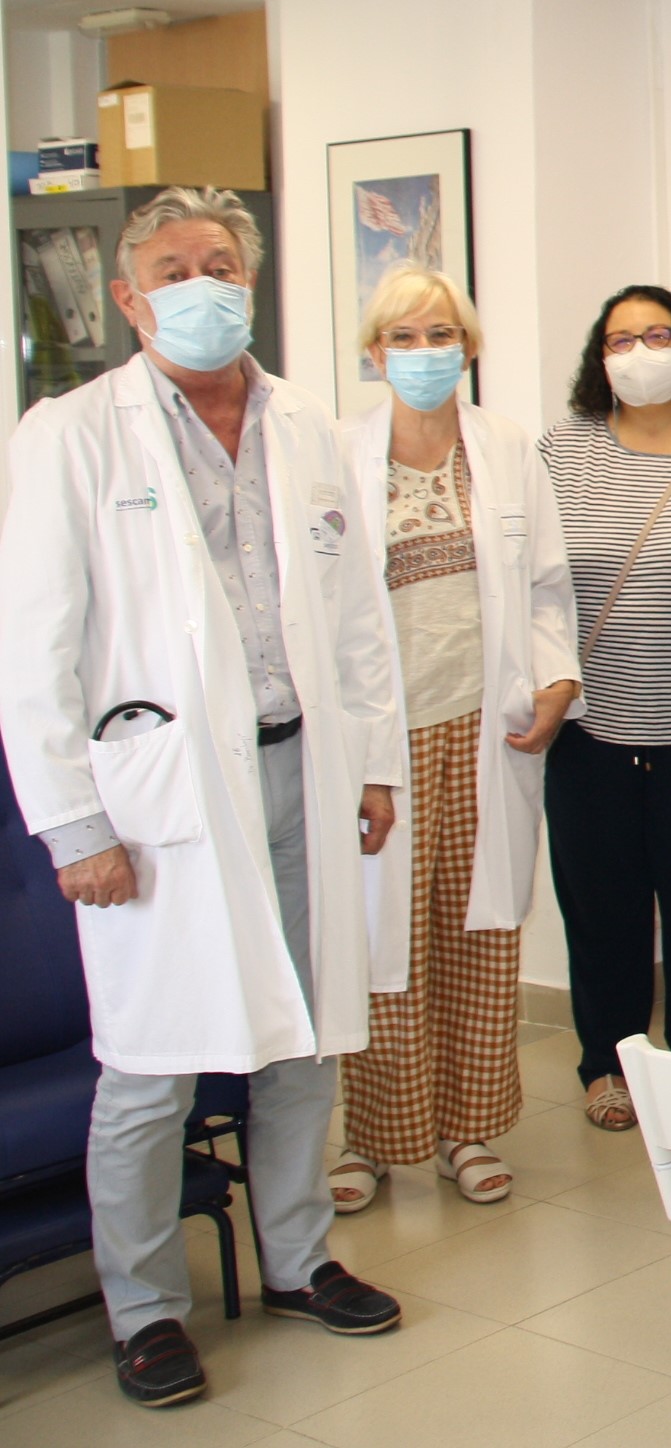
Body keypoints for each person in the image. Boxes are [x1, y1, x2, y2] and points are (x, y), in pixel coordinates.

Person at [0, 187, 407, 1406]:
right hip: (159, 795)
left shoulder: (304, 422)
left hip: (301, 766)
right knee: (149, 1059)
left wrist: (373, 761)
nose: (200, 285)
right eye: (172, 269)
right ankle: (145, 1309)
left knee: (307, 1030)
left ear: (250, 280)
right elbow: (33, 647)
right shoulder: (71, 434)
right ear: (129, 300)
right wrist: (74, 824)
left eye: (218, 262)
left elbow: (355, 614)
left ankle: (297, 1257)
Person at [334, 266, 581, 1214]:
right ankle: (370, 1139)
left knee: (475, 935)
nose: (424, 353)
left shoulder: (506, 448)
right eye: (403, 337)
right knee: (381, 942)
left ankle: (464, 1130)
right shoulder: (337, 453)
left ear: (468, 347)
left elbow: (547, 586)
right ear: (375, 352)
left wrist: (557, 682)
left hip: (486, 724)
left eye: (440, 335)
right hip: (384, 740)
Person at [538, 285, 671, 1134]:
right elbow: (535, 584)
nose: (640, 354)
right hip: (592, 733)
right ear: (600, 358)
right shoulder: (565, 451)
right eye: (621, 340)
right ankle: (610, 1063)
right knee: (602, 915)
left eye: (658, 335)